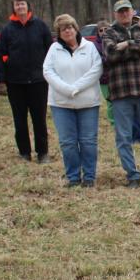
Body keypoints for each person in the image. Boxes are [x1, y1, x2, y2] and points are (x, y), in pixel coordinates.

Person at [103, 0, 140, 190]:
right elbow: (111, 55)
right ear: (115, 14)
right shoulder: (109, 33)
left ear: (131, 12)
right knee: (123, 137)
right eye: (120, 11)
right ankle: (132, 175)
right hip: (121, 92)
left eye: (126, 11)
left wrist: (127, 44)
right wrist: (139, 47)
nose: (124, 14)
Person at [43, 14, 103, 188]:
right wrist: (66, 89)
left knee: (88, 140)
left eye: (70, 27)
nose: (68, 31)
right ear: (59, 33)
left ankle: (89, 176)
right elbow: (48, 71)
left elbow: (96, 69)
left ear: (76, 29)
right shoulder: (54, 49)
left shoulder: (89, 47)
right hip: (61, 103)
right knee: (68, 142)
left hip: (88, 102)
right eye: (63, 29)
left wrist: (77, 87)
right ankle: (73, 177)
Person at [0, 0, 53, 163]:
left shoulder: (41, 26)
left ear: (28, 6)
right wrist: (1, 80)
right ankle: (24, 153)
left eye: (22, 4)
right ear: (13, 8)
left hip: (38, 81)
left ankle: (42, 153)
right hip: (15, 83)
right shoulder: (7, 30)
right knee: (19, 120)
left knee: (39, 119)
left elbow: (51, 52)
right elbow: (1, 55)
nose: (20, 7)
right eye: (17, 5)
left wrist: (51, 75)